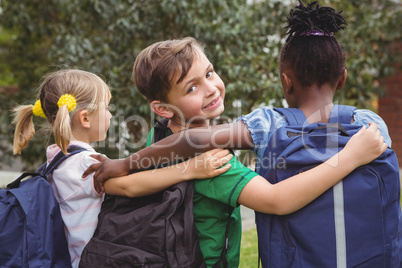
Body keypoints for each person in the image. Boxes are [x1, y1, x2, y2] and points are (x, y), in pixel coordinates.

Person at [83, 37, 387, 267]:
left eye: (210, 73)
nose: (211, 88)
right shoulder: (213, 164)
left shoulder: (159, 134)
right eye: (191, 88)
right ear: (162, 108)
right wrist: (350, 158)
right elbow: (277, 200)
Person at [11, 69, 233, 268]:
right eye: (106, 108)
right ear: (85, 118)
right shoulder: (84, 164)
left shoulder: (56, 159)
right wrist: (192, 168)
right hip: (91, 260)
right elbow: (130, 187)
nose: (109, 114)